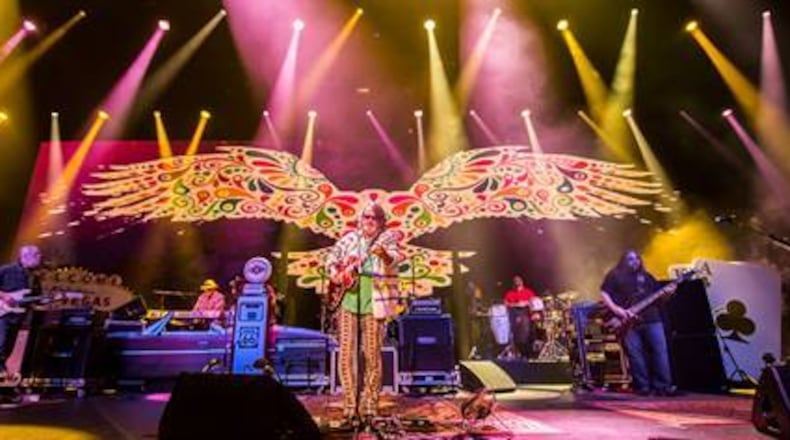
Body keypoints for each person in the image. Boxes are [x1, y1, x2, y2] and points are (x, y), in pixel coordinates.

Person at [326, 202, 403, 422]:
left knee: (372, 355)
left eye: (374, 218)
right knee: (346, 355)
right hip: (348, 301)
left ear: (381, 222)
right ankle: (350, 404)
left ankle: (369, 404)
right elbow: (331, 260)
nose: (369, 221)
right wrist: (337, 275)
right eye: (366, 217)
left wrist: (384, 255)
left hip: (374, 301)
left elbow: (395, 258)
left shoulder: (387, 240)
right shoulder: (349, 239)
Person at [600, 249, 676, 396]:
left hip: (652, 318)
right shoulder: (615, 275)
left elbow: (659, 297)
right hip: (627, 320)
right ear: (623, 261)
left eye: (637, 259)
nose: (634, 262)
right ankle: (643, 387)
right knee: (635, 355)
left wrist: (668, 294)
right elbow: (604, 293)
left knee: (660, 353)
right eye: (630, 259)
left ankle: (664, 386)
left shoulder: (646, 277)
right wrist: (618, 311)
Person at [0, 245, 42, 378]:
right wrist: (5, 296)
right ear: (25, 256)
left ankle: (2, 371)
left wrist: (51, 300)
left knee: (9, 346)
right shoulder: (7, 270)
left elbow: (36, 298)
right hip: (3, 313)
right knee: (1, 342)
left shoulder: (34, 277)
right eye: (37, 255)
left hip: (18, 316)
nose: (40, 257)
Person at [503, 275, 537, 358]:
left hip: (526, 316)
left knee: (527, 327)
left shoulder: (528, 292)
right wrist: (516, 304)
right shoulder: (509, 294)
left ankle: (528, 349)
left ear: (522, 282)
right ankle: (517, 349)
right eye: (515, 281)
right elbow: (505, 304)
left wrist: (525, 303)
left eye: (518, 280)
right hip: (513, 317)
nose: (517, 282)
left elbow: (534, 303)